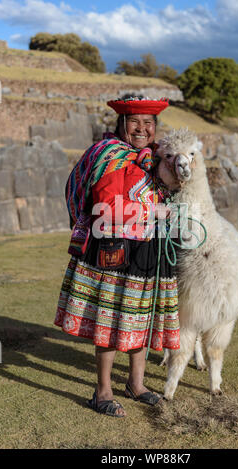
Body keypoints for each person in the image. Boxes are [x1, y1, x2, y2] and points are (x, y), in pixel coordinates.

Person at [54, 97, 180, 417]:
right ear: (121, 123)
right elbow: (107, 208)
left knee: (140, 315)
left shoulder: (154, 158)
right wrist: (154, 210)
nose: (142, 129)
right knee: (110, 319)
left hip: (147, 248)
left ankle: (136, 384)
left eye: (148, 123)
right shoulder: (109, 156)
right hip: (114, 247)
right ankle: (102, 391)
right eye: (135, 122)